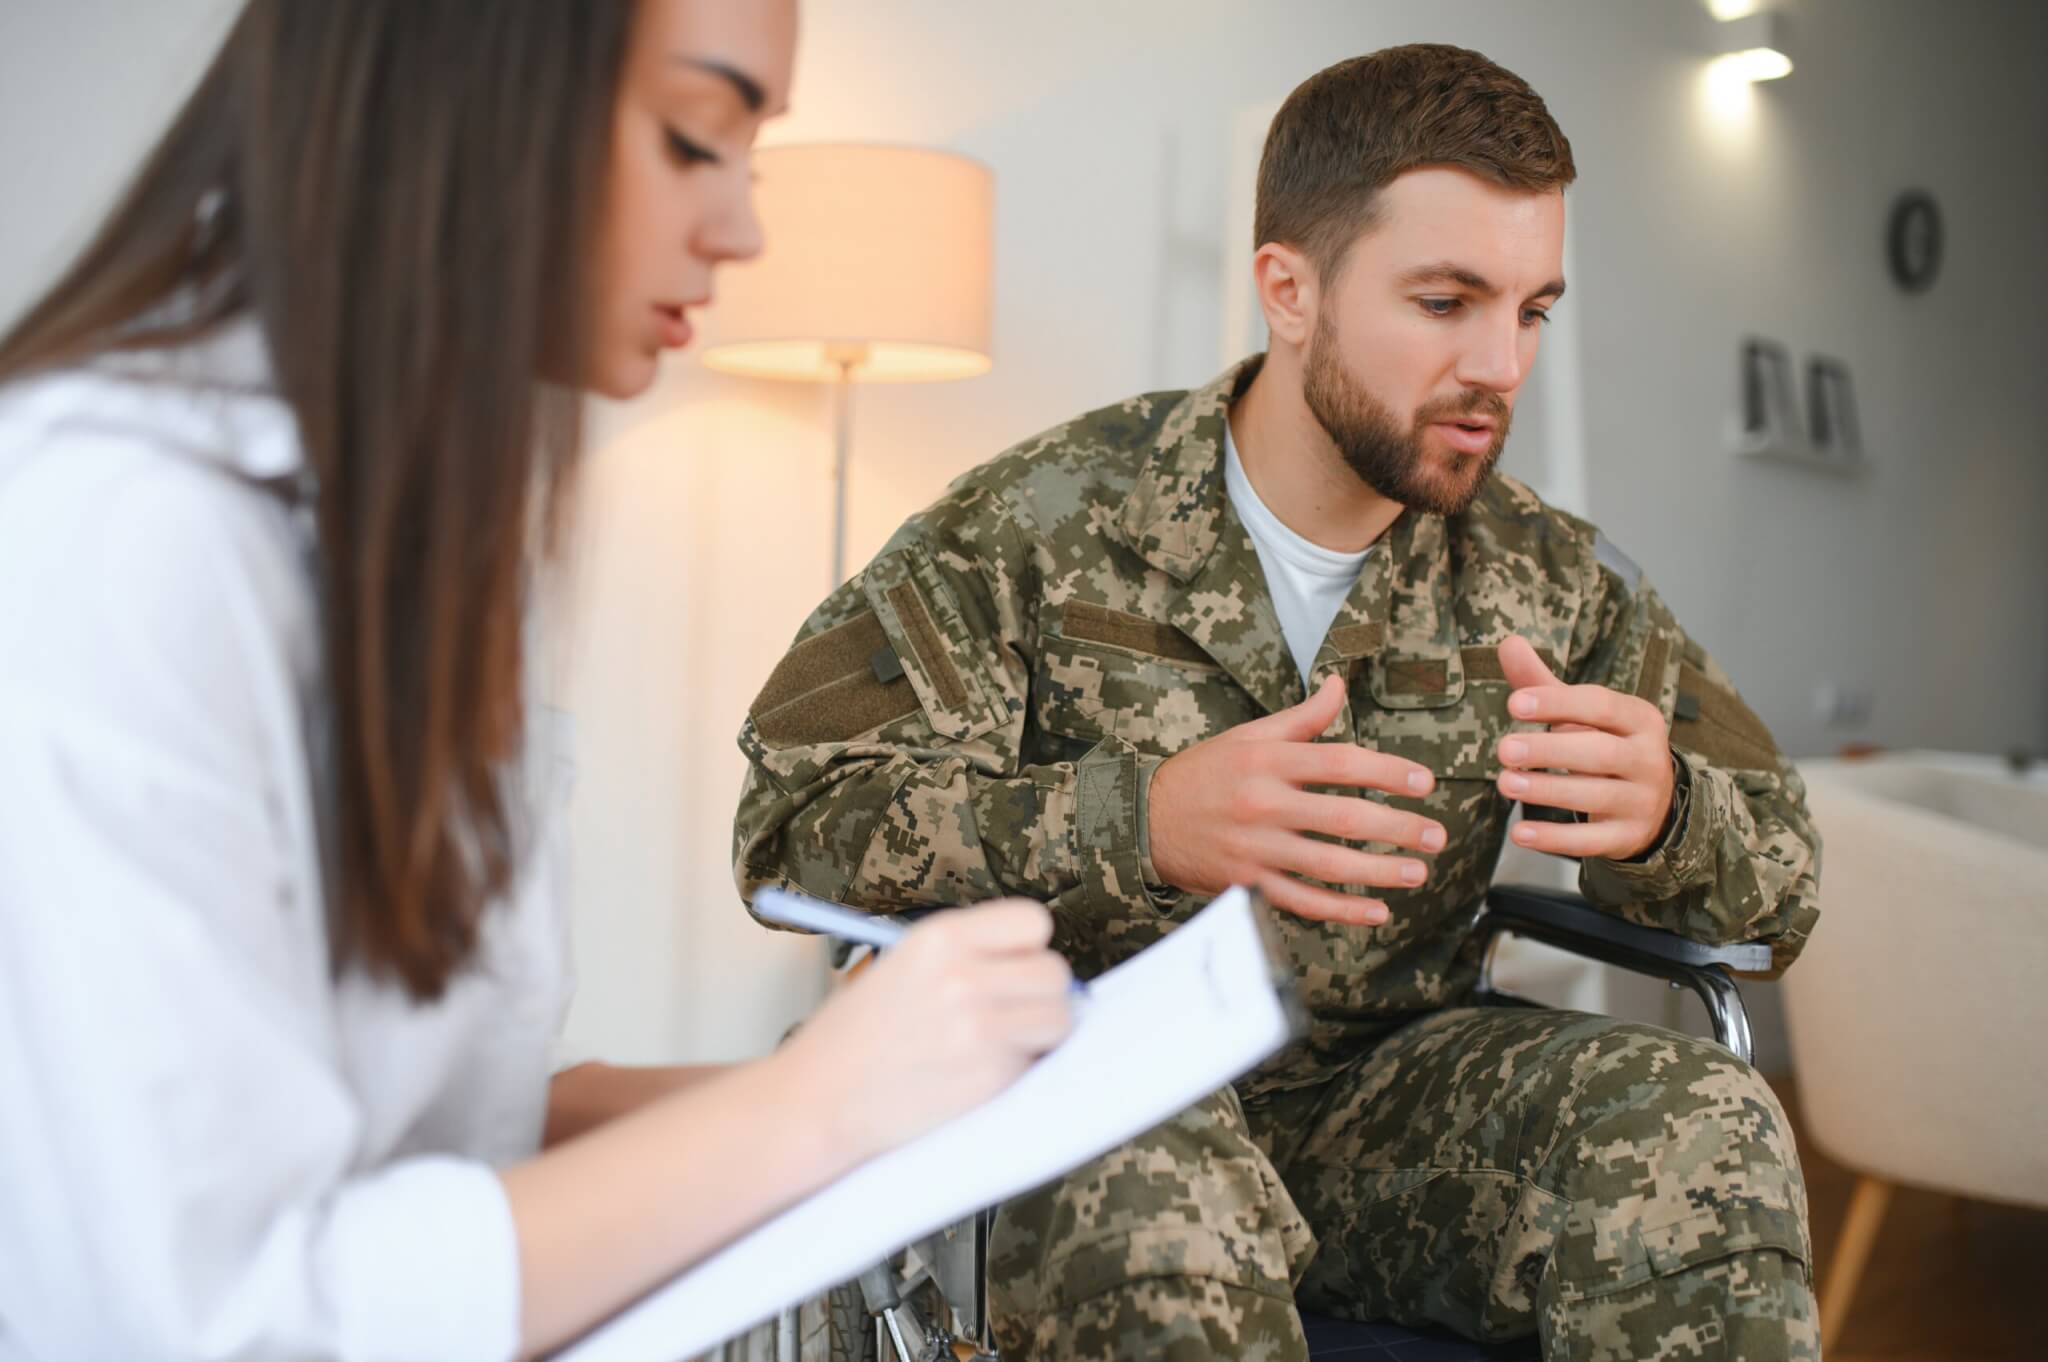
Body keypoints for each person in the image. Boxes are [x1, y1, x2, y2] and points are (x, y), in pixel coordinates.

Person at [0, 4, 1077, 1359]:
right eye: (697, 138)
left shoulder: (418, 536)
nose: (744, 228)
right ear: (465, 82)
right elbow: (212, 1313)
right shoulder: (114, 533)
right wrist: (812, 1111)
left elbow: (446, 1121)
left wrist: (842, 1086)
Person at [733, 43, 1822, 1362]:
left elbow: (1782, 875)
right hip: (1100, 1084)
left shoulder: (1549, 578)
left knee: (1706, 1123)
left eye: (1533, 309)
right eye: (1445, 300)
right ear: (1287, 289)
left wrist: (1666, 817)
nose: (1501, 362)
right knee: (1159, 1190)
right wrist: (1140, 821)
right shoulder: (1034, 523)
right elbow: (794, 824)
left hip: (1387, 1106)